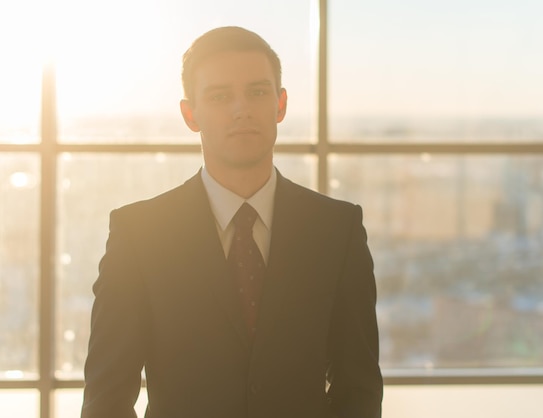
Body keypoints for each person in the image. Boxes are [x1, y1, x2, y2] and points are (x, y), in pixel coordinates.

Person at [81, 26, 383, 418]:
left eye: (258, 92)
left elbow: (358, 388)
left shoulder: (337, 229)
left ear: (280, 104)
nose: (242, 108)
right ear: (191, 115)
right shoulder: (139, 235)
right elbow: (106, 398)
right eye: (220, 96)